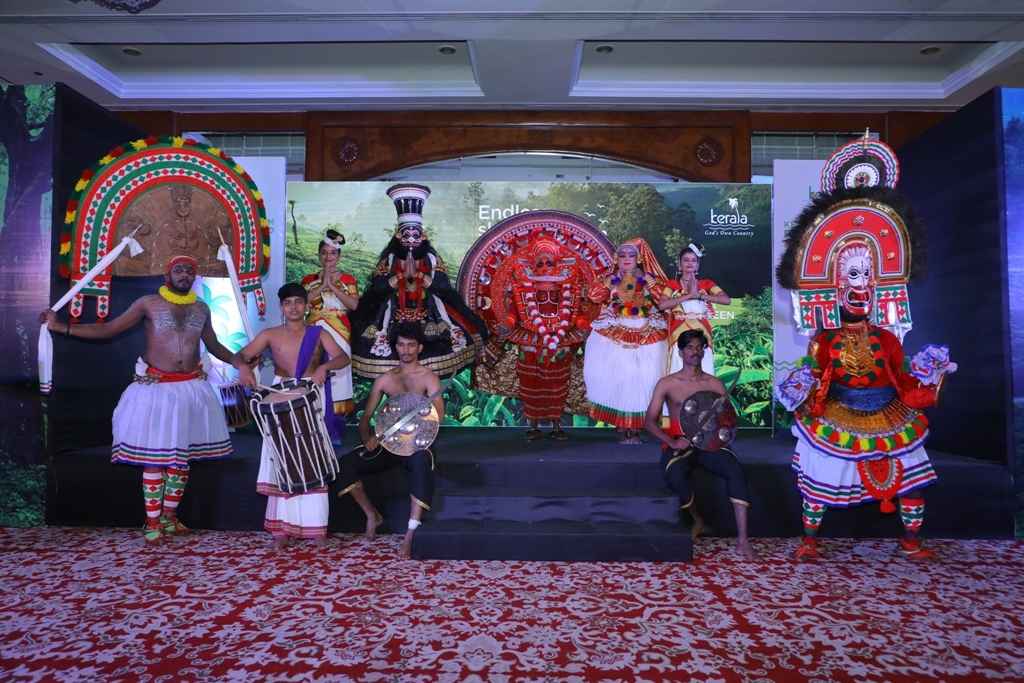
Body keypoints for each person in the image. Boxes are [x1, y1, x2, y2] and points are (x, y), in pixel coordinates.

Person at [41, 255, 238, 544]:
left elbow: (215, 345)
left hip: (191, 390)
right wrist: (61, 327)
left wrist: (241, 360)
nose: (184, 274)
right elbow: (110, 328)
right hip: (156, 390)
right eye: (178, 269)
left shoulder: (201, 308)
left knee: (180, 460)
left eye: (189, 270)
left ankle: (169, 518)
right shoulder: (148, 303)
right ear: (167, 276)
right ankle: (152, 521)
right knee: (155, 459)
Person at [235, 282, 352, 549]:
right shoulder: (270, 334)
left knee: (312, 460)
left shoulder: (318, 333)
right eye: (288, 303)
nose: (294, 307)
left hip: (311, 396)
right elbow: (240, 355)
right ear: (281, 307)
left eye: (298, 302)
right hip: (280, 396)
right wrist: (242, 368)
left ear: (307, 305)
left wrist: (325, 368)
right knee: (282, 459)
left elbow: (342, 358)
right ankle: (281, 532)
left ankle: (317, 531)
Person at [348, 183, 486, 379]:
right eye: (407, 235)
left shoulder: (431, 258)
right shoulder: (390, 259)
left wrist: (420, 276)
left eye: (415, 235)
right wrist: (400, 277)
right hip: (393, 313)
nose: (411, 240)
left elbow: (443, 287)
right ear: (398, 236)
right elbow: (378, 288)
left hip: (429, 312)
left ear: (423, 236)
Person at [645, 330, 755, 560]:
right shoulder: (667, 383)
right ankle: (698, 520)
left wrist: (719, 435)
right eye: (690, 347)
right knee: (675, 474)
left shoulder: (714, 384)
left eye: (699, 347)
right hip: (679, 444)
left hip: (710, 444)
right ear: (681, 352)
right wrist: (672, 441)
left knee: (735, 471)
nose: (695, 352)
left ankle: (743, 539)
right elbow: (649, 422)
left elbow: (728, 420)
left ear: (704, 351)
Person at [337, 322, 442, 559]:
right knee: (346, 464)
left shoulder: (429, 378)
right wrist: (368, 438)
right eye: (401, 345)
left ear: (420, 348)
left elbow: (437, 418)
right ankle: (371, 515)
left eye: (411, 345)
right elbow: (366, 418)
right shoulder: (385, 380)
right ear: (396, 347)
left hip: (418, 444)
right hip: (387, 444)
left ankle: (410, 534)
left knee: (421, 463)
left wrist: (415, 433)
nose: (406, 350)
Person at [583, 238, 668, 444]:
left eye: (631, 255)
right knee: (618, 378)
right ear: (616, 259)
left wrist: (648, 281)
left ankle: (637, 427)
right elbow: (594, 296)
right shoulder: (610, 278)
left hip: (647, 332)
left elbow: (663, 299)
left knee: (644, 379)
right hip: (614, 332)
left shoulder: (648, 278)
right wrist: (608, 282)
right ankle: (622, 426)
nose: (627, 259)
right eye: (622, 255)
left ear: (639, 259)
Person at [301, 228, 359, 442]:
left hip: (339, 331)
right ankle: (311, 429)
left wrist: (333, 287)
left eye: (333, 253)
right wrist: (322, 285)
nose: (328, 257)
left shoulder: (348, 279)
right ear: (319, 255)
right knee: (312, 376)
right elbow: (303, 303)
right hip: (313, 331)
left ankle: (334, 431)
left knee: (338, 380)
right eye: (324, 253)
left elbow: (354, 305)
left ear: (339, 256)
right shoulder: (309, 279)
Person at [658, 242, 731, 376]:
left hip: (701, 331)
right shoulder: (672, 284)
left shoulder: (706, 284)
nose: (690, 263)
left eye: (693, 260)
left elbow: (726, 300)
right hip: (679, 332)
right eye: (686, 260)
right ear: (679, 264)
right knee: (678, 365)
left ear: (697, 265)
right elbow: (662, 305)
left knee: (703, 365)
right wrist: (689, 296)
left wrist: (700, 296)